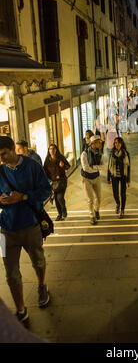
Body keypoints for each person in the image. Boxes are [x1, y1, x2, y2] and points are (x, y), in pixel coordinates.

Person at [0, 136, 52, 326]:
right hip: (5, 229)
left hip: (30, 225)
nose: (2, 159)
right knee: (10, 273)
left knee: (38, 260)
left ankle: (41, 284)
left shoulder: (32, 166)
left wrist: (23, 197)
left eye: (4, 154)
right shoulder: (0, 170)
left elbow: (46, 190)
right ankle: (21, 310)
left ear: (13, 149)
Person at [43, 144, 70, 221]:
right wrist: (49, 182)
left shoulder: (60, 157)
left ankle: (63, 210)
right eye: (50, 149)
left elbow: (68, 166)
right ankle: (59, 214)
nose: (52, 150)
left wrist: (63, 166)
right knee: (56, 199)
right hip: (53, 183)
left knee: (60, 197)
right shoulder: (47, 160)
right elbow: (45, 172)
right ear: (48, 150)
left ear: (56, 150)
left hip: (62, 181)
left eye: (53, 149)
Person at [81, 135, 103, 225]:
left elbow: (102, 166)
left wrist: (94, 167)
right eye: (99, 142)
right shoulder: (84, 154)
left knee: (99, 197)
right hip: (86, 178)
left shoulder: (100, 153)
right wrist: (97, 168)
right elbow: (86, 168)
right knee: (90, 199)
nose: (100, 144)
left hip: (96, 177)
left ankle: (96, 210)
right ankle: (92, 216)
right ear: (93, 144)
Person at [107, 137, 130, 219]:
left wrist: (128, 180)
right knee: (115, 193)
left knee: (123, 194)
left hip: (123, 176)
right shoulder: (112, 153)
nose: (116, 144)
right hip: (114, 176)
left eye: (118, 143)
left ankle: (122, 209)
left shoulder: (125, 153)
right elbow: (109, 165)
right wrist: (108, 177)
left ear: (121, 144)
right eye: (115, 143)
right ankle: (118, 203)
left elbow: (128, 167)